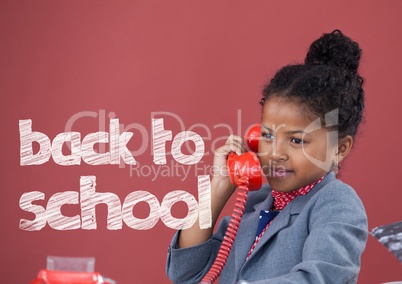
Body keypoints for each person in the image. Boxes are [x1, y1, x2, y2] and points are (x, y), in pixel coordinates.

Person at [166, 30, 368, 284]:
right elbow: (184, 273)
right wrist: (218, 188)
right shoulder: (254, 204)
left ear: (339, 148)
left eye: (296, 140)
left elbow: (320, 278)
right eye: (268, 136)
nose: (274, 153)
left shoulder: (335, 203)